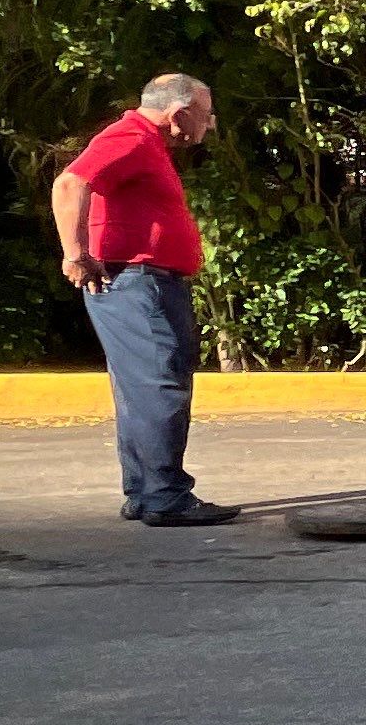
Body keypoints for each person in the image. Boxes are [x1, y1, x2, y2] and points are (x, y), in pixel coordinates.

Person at [52, 73, 237, 527]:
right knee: (159, 382)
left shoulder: (145, 142)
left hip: (143, 280)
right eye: (207, 115)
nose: (209, 126)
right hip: (135, 280)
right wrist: (75, 254)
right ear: (180, 113)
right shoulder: (131, 137)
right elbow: (69, 184)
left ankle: (144, 490)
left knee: (141, 388)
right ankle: (164, 494)